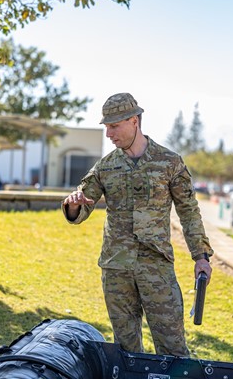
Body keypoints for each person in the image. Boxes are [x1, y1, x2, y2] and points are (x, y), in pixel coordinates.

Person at [62, 92, 213, 357]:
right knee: (125, 350)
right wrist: (74, 205)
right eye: (106, 126)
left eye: (114, 126)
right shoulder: (105, 167)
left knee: (172, 347)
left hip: (156, 266)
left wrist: (201, 256)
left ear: (134, 121)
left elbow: (188, 211)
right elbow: (83, 204)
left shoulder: (169, 162)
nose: (109, 133)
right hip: (116, 267)